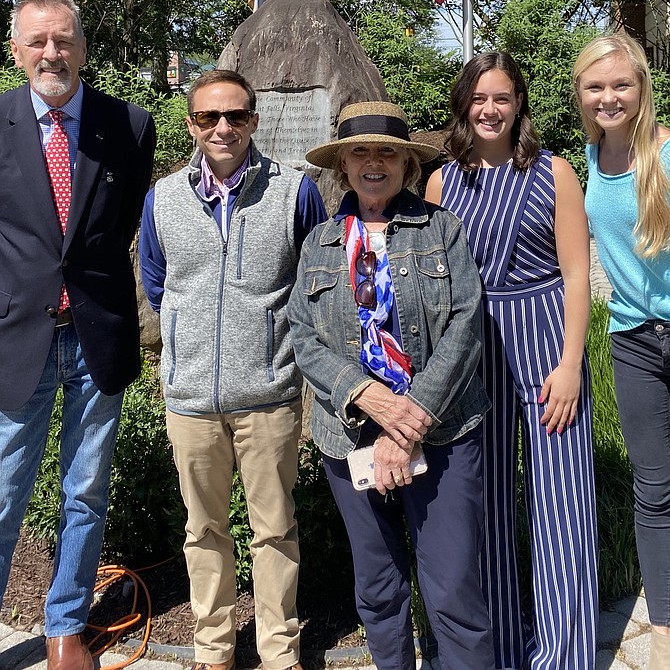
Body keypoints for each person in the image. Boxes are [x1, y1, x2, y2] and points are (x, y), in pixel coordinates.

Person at [287, 101, 496, 670]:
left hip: (445, 430)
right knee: (378, 588)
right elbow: (304, 337)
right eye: (361, 151)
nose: (373, 162)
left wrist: (409, 420)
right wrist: (367, 395)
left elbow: (465, 326)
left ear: (406, 164)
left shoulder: (443, 231)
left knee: (453, 589)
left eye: (387, 151)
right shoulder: (320, 243)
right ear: (342, 166)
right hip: (349, 438)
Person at [139, 69, 326, 670]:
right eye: (208, 117)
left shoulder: (294, 191)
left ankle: (279, 653)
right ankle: (212, 651)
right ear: (191, 124)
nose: (223, 128)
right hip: (191, 399)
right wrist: (190, 345)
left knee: (275, 531)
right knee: (204, 531)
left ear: (253, 120)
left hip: (269, 394)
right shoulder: (163, 198)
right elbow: (157, 281)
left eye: (236, 116)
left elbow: (312, 282)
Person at [425, 53, 598, 670]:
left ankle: (564, 653)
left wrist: (573, 363)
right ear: (463, 105)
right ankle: (499, 648)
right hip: (474, 352)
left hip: (547, 340)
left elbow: (577, 273)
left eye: (501, 98)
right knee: (486, 504)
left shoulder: (554, 173)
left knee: (562, 507)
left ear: (519, 104)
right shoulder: (444, 181)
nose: (489, 110)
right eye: (478, 98)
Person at [0, 0, 156, 670]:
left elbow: (116, 228)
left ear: (84, 48)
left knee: (85, 490)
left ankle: (65, 624)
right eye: (36, 42)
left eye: (63, 41)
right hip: (16, 339)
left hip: (96, 335)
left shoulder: (130, 124)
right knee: (4, 488)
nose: (51, 54)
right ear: (15, 51)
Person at [573, 32, 670, 670]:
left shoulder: (666, 153)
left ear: (641, 89)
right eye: (596, 86)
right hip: (633, 342)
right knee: (654, 489)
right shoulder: (589, 155)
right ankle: (664, 628)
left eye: (620, 85)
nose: (609, 97)